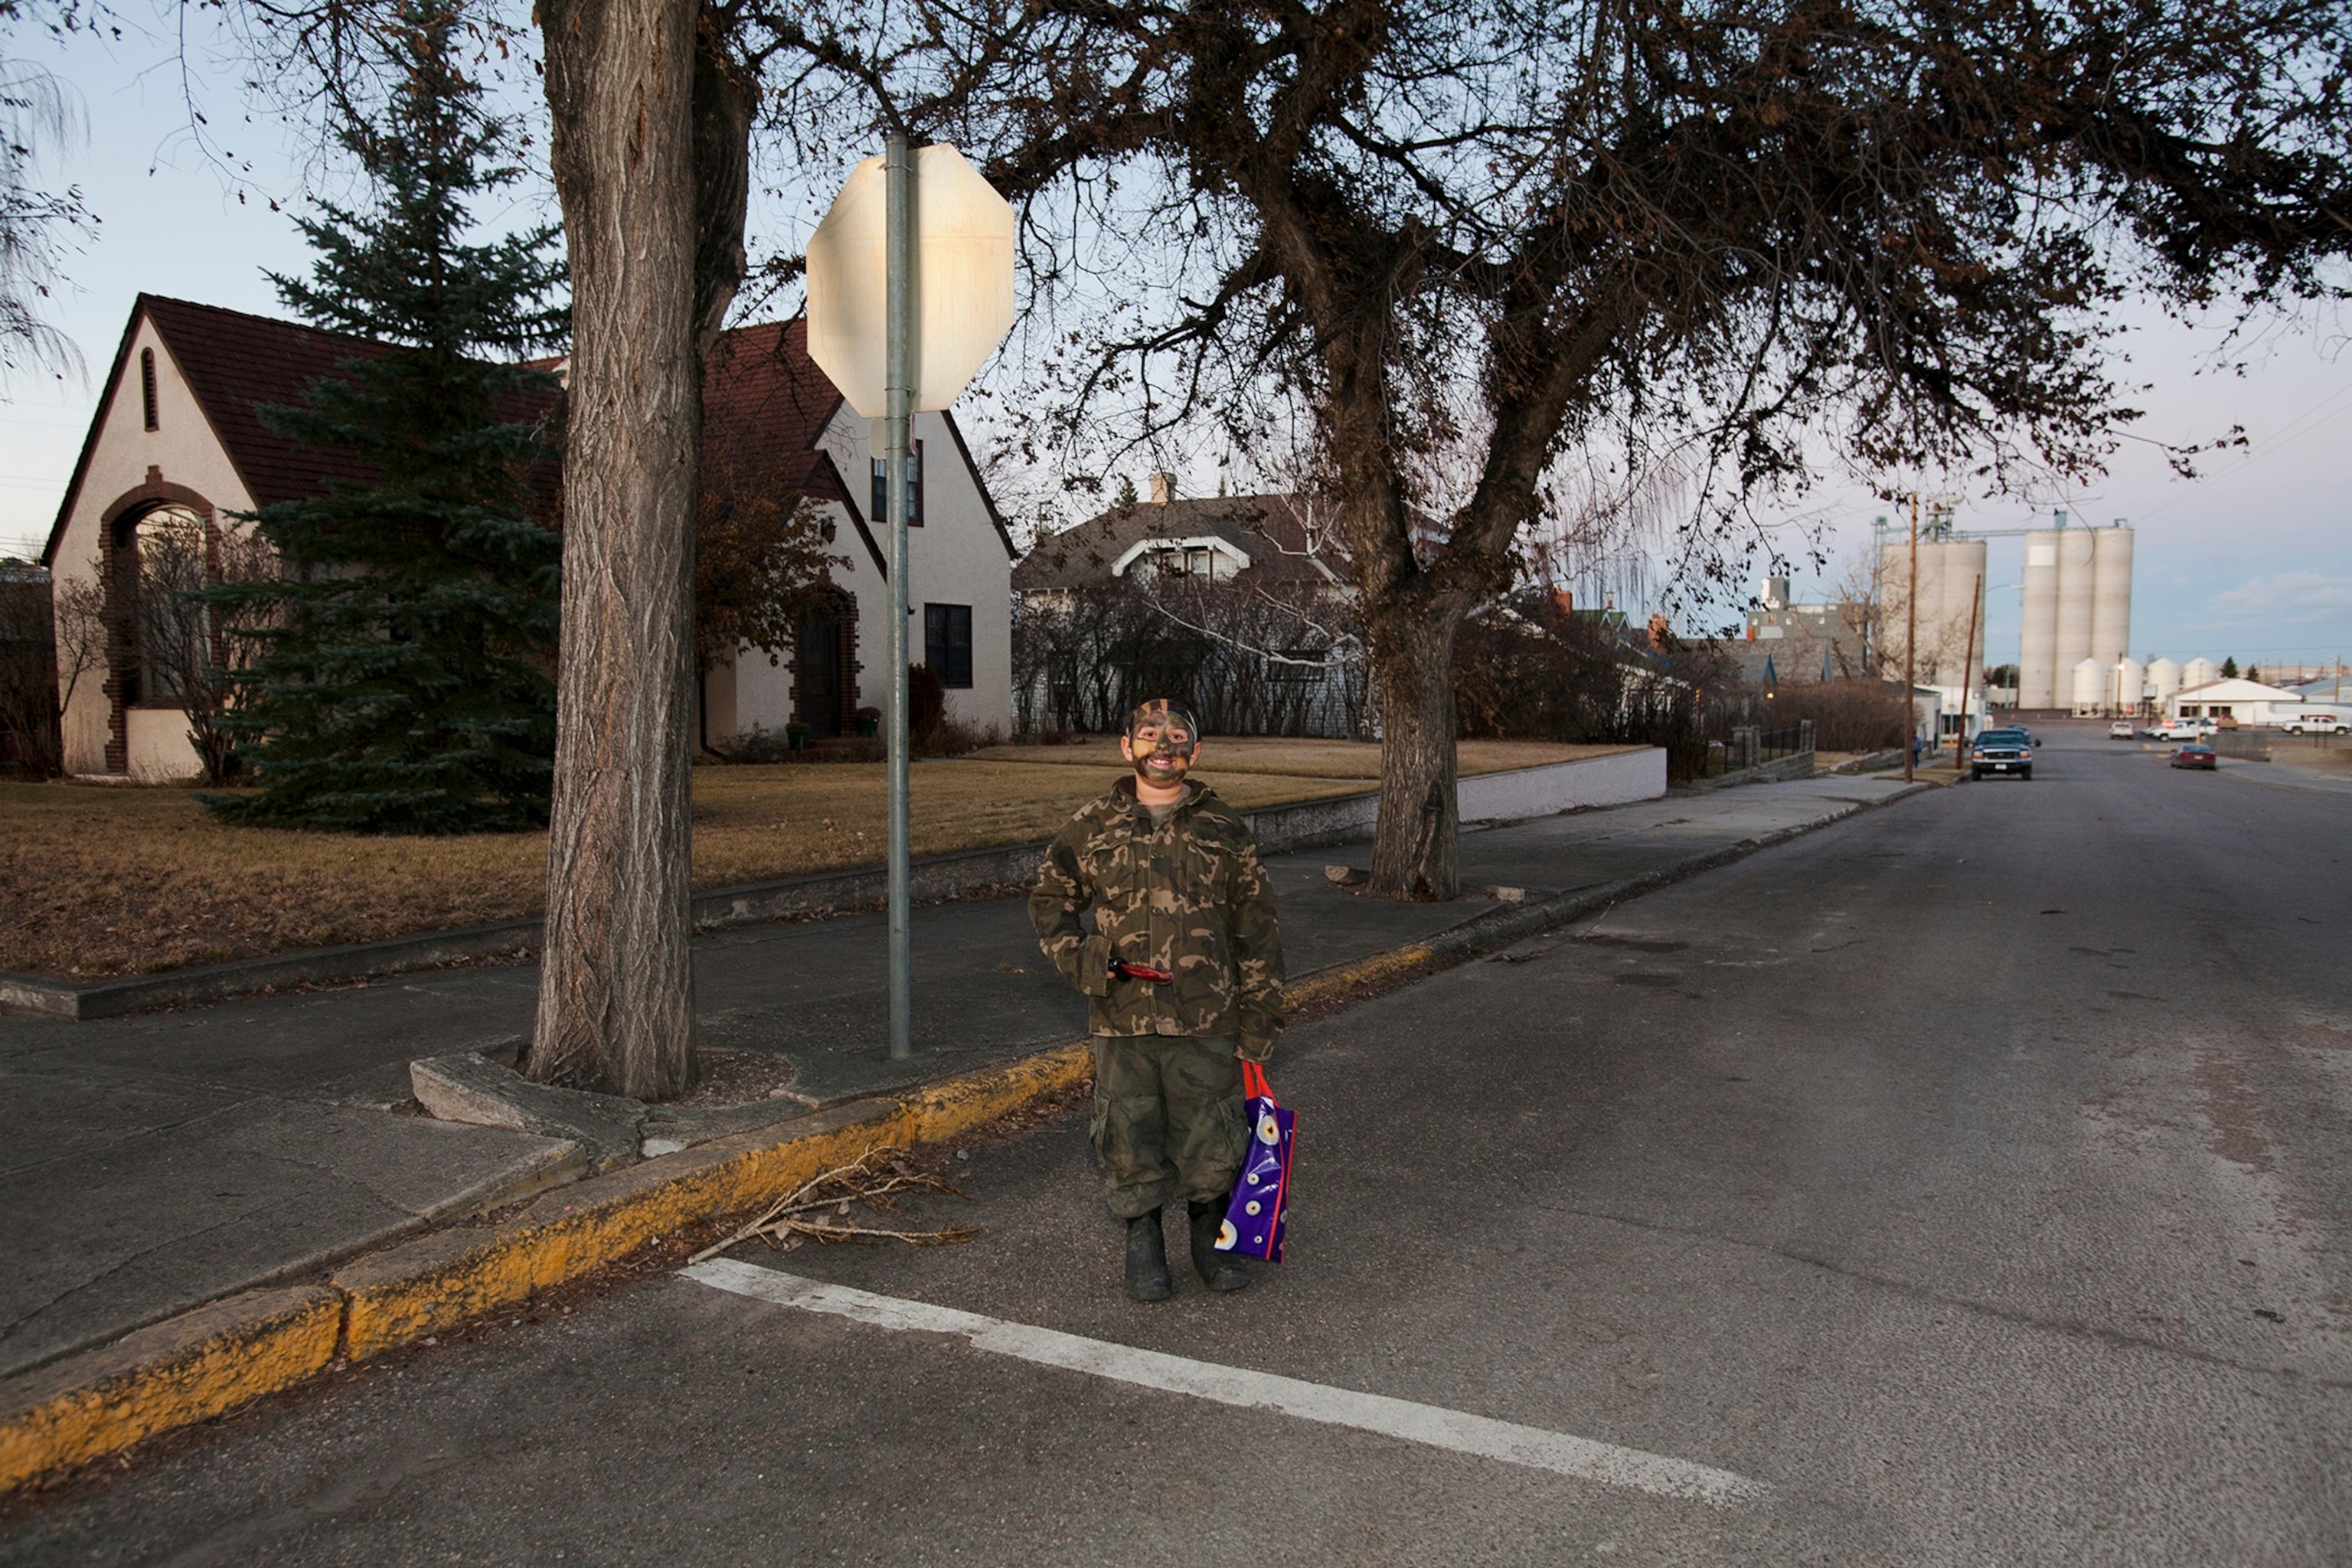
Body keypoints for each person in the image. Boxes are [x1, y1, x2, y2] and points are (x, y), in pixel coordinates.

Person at [1029, 698, 1285, 1301]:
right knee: (1127, 1127)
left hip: (1208, 1014)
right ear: (1126, 747)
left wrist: (1261, 1018)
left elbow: (1257, 925)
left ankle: (1208, 1236)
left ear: (1195, 752)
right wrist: (1089, 963)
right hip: (1122, 1019)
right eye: (1149, 734)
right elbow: (1049, 901)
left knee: (1210, 1128)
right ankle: (1142, 1239)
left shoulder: (1223, 827)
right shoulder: (1092, 826)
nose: (1162, 744)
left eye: (1176, 736)